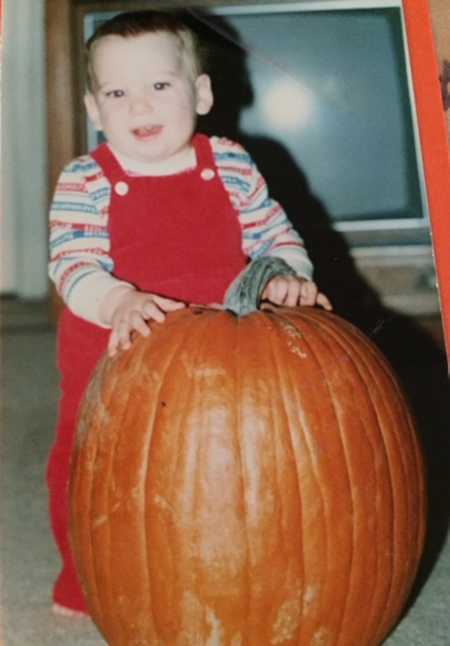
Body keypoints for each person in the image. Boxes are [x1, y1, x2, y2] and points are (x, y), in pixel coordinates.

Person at [46, 9, 331, 616]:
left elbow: (277, 239)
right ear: (95, 110)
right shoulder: (84, 179)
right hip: (113, 354)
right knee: (91, 464)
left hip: (222, 359)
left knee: (226, 466)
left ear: (200, 92)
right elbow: (72, 265)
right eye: (117, 92)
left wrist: (287, 277)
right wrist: (117, 298)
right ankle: (86, 575)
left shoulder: (230, 164)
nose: (140, 107)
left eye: (159, 85)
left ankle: (229, 566)